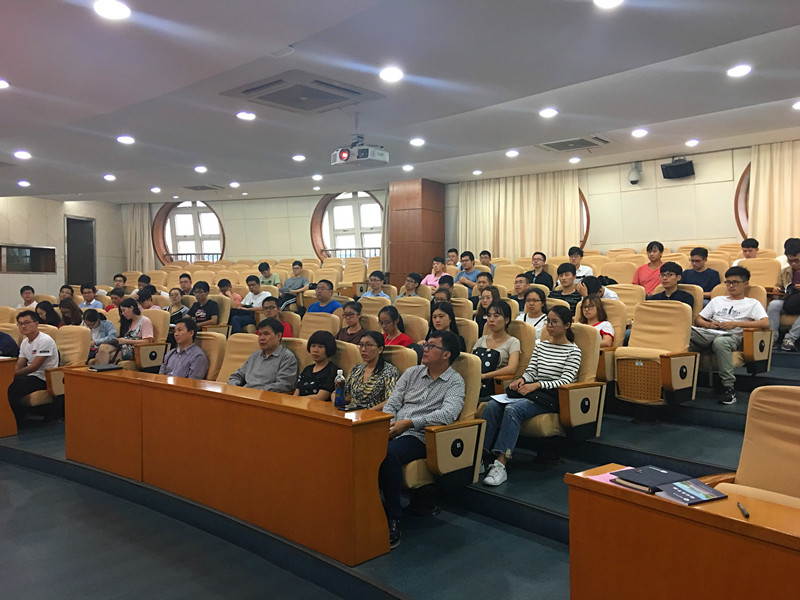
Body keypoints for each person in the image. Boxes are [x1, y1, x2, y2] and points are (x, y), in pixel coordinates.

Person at [379, 330, 465, 548]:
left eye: (431, 346)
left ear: (446, 354)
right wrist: (390, 424)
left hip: (422, 435)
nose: (424, 349)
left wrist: (408, 423)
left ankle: (392, 518)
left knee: (388, 454)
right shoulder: (412, 372)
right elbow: (392, 403)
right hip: (392, 428)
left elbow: (447, 415)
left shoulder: (455, 382)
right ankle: (369, 509)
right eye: (425, 345)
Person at [482, 305, 581, 487]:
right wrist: (522, 380)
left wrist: (537, 384)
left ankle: (500, 464)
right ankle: (482, 457)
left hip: (550, 397)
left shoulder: (573, 351)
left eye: (554, 322)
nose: (549, 325)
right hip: (532, 391)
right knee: (492, 405)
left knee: (513, 409)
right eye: (548, 321)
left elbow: (566, 380)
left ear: (567, 325)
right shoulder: (541, 346)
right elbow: (531, 371)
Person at [690, 266, 769, 405]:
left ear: (745, 283)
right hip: (710, 333)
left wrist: (736, 324)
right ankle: (681, 383)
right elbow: (698, 320)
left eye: (735, 282)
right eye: (728, 282)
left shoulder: (752, 303)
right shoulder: (717, 300)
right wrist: (709, 324)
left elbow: (765, 323)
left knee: (720, 342)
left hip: (733, 337)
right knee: (684, 333)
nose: (731, 286)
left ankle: (729, 388)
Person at [7, 311, 58, 422]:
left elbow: (34, 367)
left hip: (43, 378)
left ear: (36, 323)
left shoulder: (45, 340)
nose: (23, 326)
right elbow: (19, 364)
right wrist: (11, 374)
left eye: (26, 323)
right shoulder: (25, 342)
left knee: (12, 386)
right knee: (6, 382)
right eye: (20, 324)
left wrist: (13, 374)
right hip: (31, 376)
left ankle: (14, 419)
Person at [227, 318, 297, 392]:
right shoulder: (255, 355)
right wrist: (234, 388)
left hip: (264, 396)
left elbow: (283, 385)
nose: (261, 338)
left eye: (266, 334)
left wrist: (255, 392)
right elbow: (237, 376)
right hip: (244, 394)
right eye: (260, 334)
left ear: (278, 336)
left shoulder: (287, 357)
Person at [473, 301, 521, 397]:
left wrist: (485, 376)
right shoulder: (481, 340)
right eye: (489, 316)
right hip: (474, 384)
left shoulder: (513, 342)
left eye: (496, 316)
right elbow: (471, 363)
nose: (491, 319)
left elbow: (511, 369)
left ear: (506, 320)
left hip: (494, 386)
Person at [344, 331, 399, 409]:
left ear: (380, 349)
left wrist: (368, 412)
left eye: (368, 345)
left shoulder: (389, 371)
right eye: (361, 345)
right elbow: (339, 392)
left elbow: (391, 400)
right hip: (352, 412)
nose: (363, 349)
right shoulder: (357, 368)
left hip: (373, 414)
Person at [94, 298, 155, 364]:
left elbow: (147, 341)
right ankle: (101, 369)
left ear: (131, 308)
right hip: (123, 346)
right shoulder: (127, 321)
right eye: (121, 311)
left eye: (124, 310)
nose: (123, 313)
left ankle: (102, 369)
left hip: (134, 349)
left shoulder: (145, 321)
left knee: (106, 356)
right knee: (102, 348)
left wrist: (126, 341)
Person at [767, 240, 800, 352]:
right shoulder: (785, 272)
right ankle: (772, 339)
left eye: (796, 260)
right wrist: (776, 289)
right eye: (790, 261)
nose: (793, 264)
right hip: (790, 301)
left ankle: (789, 339)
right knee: (773, 304)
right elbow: (779, 286)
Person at [294, 330, 339, 401]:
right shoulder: (307, 369)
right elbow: (296, 393)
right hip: (299, 405)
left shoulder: (332, 370)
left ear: (329, 349)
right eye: (313, 346)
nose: (315, 350)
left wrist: (298, 400)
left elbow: (320, 397)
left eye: (320, 347)